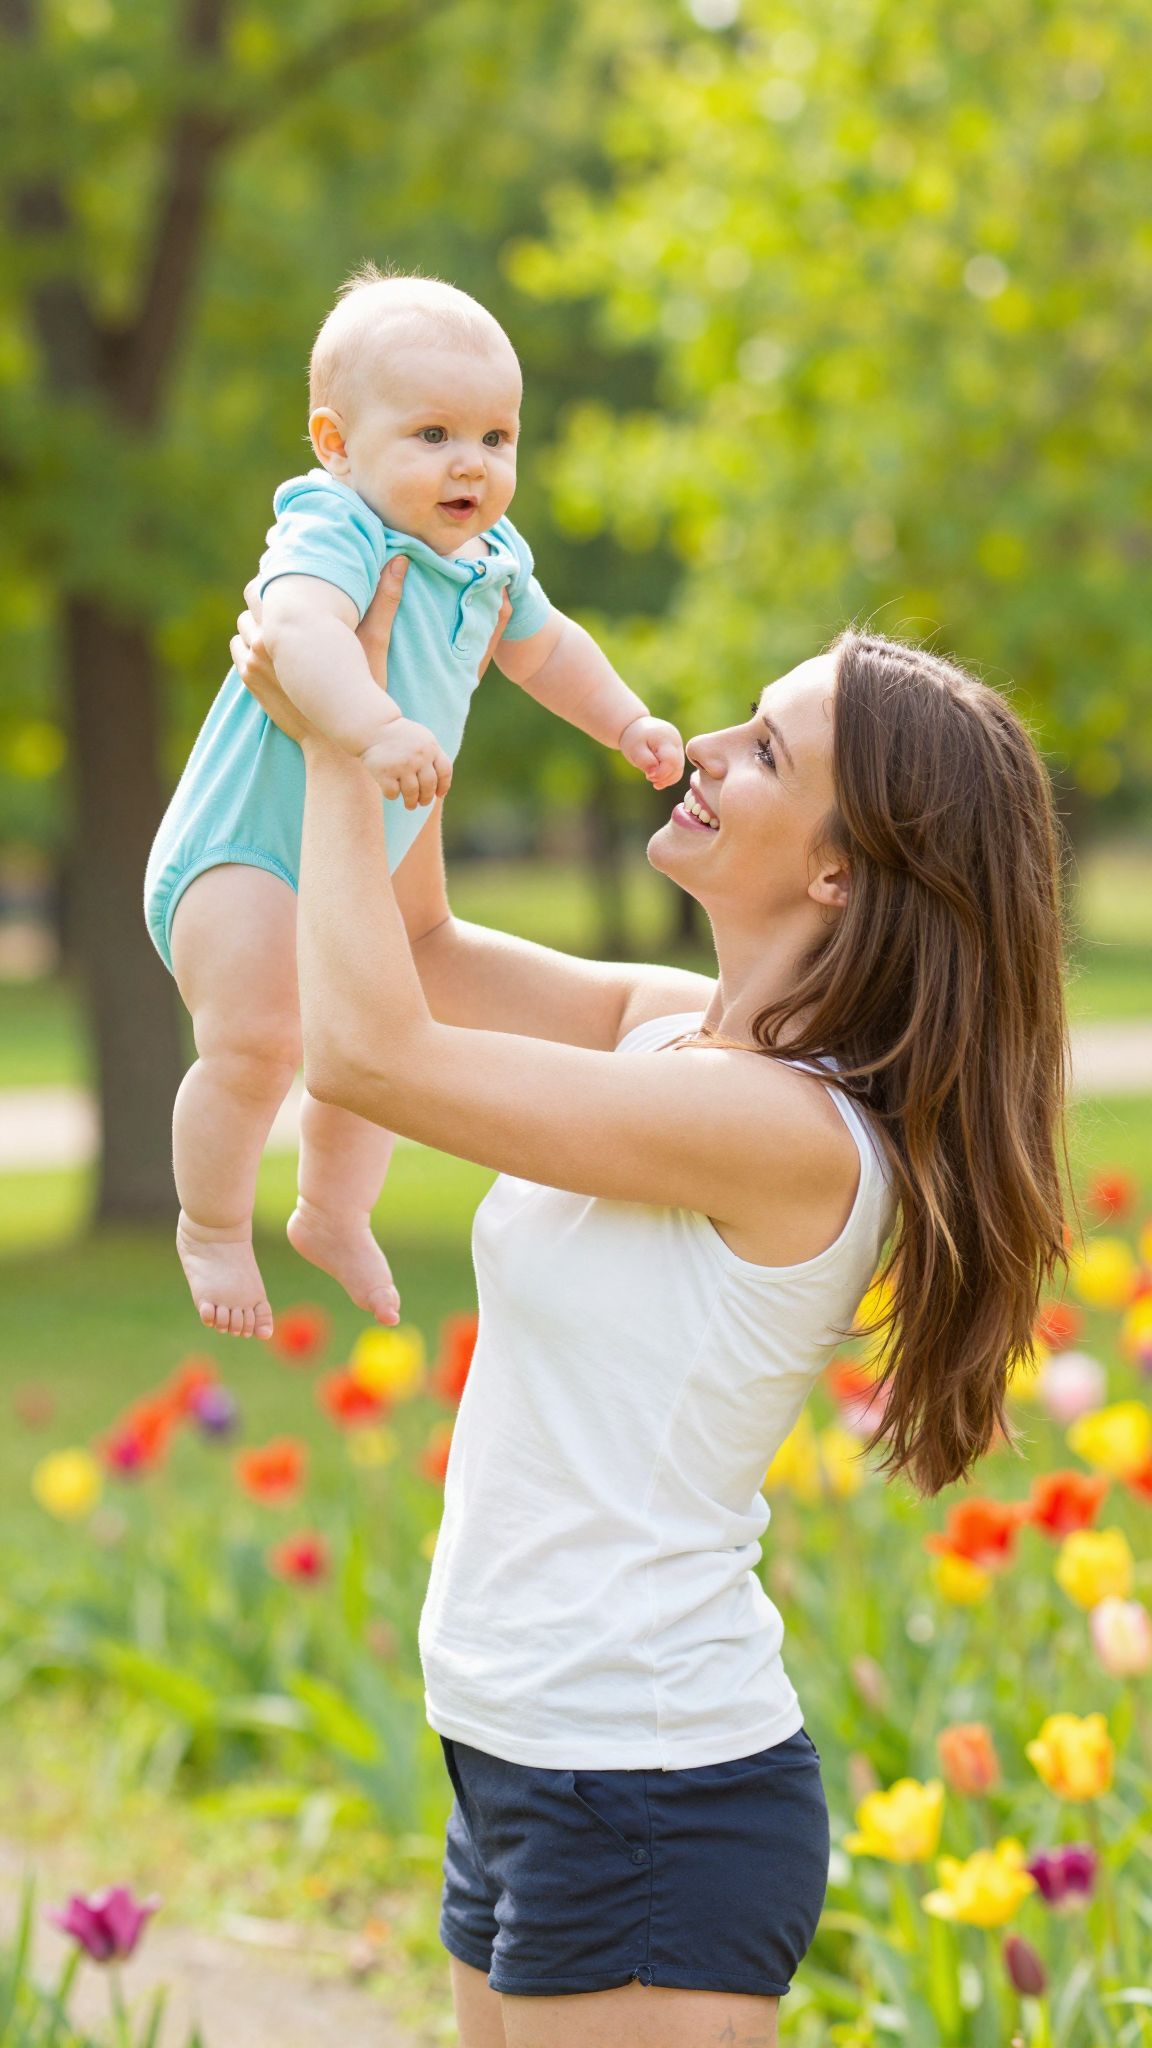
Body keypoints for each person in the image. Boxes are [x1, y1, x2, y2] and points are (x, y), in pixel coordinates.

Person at [232, 563, 1070, 2048]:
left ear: (836, 872)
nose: (706, 751)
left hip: (646, 1785)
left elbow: (369, 1054)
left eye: (766, 751)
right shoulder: (666, 1031)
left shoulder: (786, 1137)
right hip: (522, 1748)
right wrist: (399, 652)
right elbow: (419, 949)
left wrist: (327, 740)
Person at [143, 269, 683, 1341]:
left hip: (356, 860)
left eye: (496, 436)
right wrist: (372, 726)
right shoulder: (337, 527)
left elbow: (549, 650)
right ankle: (209, 1220)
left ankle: (332, 1209)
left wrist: (625, 721)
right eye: (432, 433)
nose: (471, 463)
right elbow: (294, 634)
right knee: (258, 1041)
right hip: (243, 853)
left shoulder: (489, 560)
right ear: (335, 441)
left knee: (370, 1031)